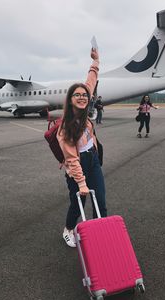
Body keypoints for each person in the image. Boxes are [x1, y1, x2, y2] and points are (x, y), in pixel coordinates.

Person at [57, 48, 107, 248]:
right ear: (70, 100)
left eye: (84, 95)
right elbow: (71, 159)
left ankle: (99, 232)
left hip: (92, 160)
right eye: (76, 95)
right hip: (76, 167)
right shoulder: (65, 128)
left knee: (101, 202)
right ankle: (68, 229)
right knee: (79, 204)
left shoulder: (85, 114)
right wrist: (81, 182)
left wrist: (95, 63)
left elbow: (90, 83)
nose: (82, 97)